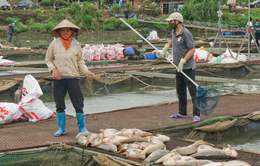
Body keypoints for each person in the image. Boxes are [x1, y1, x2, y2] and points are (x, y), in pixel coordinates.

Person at [45, 19, 95, 136]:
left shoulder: (77, 45)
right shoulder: (54, 44)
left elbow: (80, 62)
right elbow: (48, 59)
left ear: (72, 31)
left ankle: (82, 127)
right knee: (59, 104)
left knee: (78, 103)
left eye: (68, 30)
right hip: (59, 79)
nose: (65, 32)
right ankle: (61, 128)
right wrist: (54, 69)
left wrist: (87, 72)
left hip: (73, 78)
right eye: (63, 30)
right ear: (59, 32)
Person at [160, 12, 200, 122]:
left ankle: (197, 114)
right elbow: (173, 40)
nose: (169, 23)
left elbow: (192, 49)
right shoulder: (174, 31)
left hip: (187, 67)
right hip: (178, 67)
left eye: (171, 21)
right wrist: (166, 47)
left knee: (193, 91)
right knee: (180, 90)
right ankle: (182, 112)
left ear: (177, 21)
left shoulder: (186, 33)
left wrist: (183, 60)